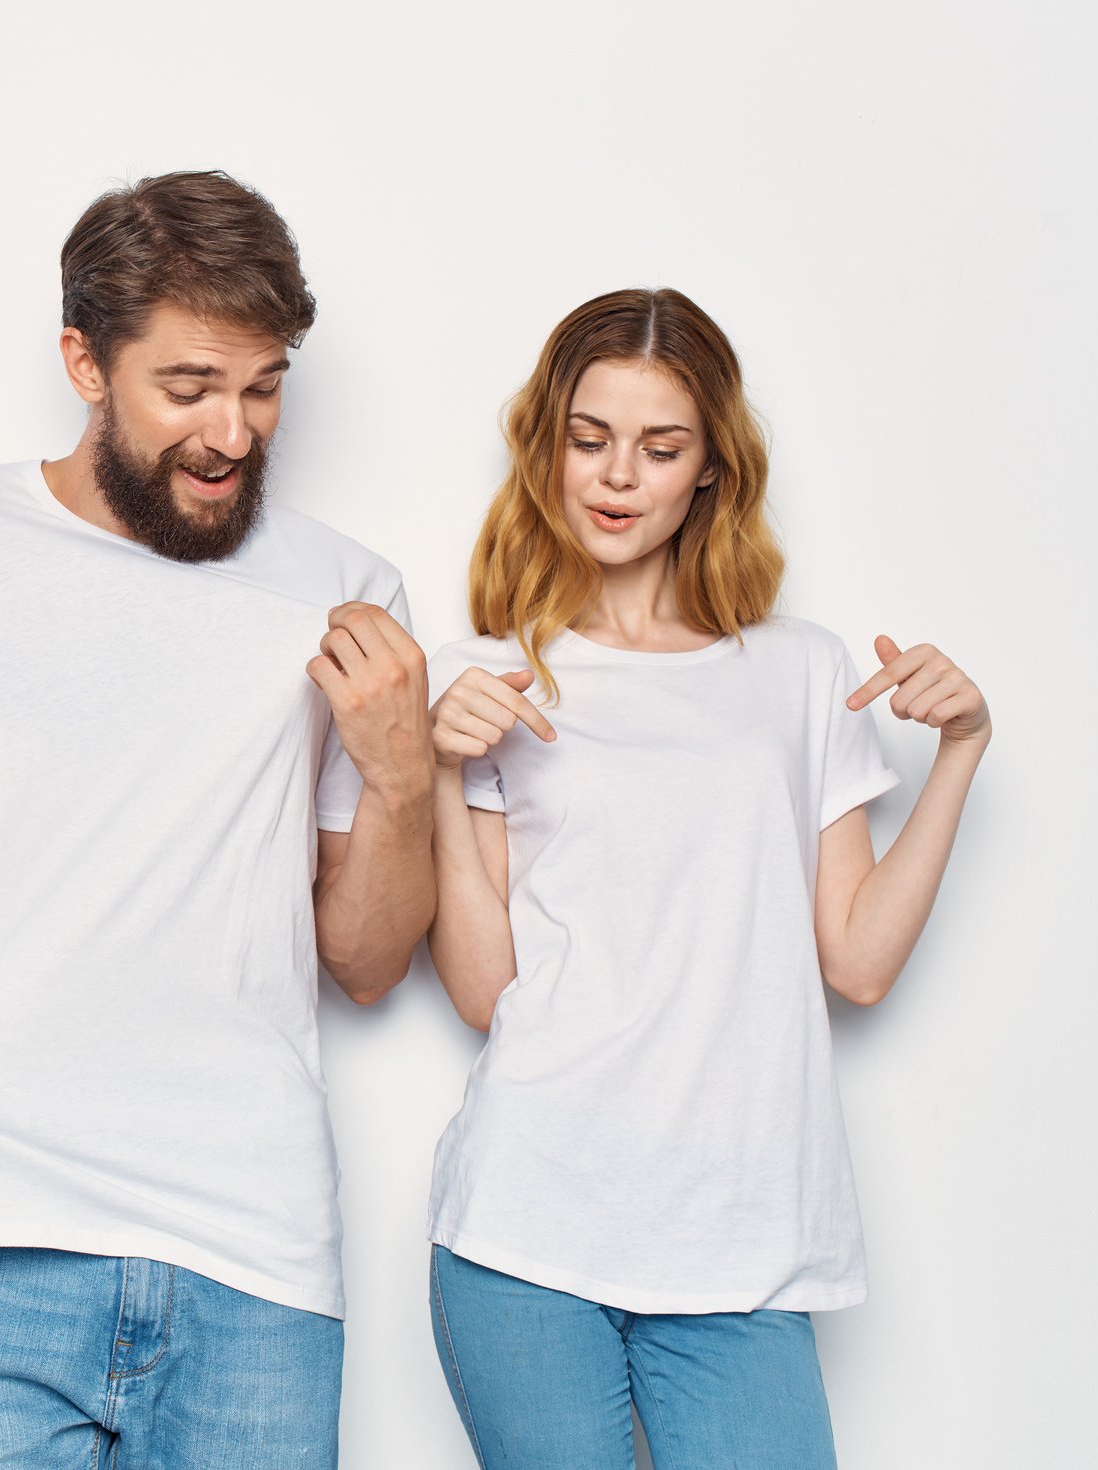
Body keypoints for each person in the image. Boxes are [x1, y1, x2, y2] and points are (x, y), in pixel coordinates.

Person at [0, 171, 435, 1466]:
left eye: (265, 383)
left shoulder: (349, 591)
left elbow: (369, 958)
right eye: (189, 386)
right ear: (84, 360)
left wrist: (400, 778)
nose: (233, 429)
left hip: (257, 1261)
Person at [420, 288, 991, 1469]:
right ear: (548, 451)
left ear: (712, 471)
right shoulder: (488, 677)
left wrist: (962, 755)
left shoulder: (796, 672)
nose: (617, 476)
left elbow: (860, 964)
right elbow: (487, 995)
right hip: (529, 1221)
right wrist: (437, 772)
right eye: (589, 439)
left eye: (660, 446)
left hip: (743, 1241)